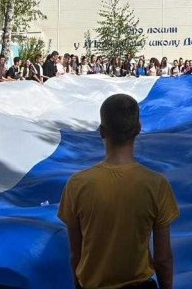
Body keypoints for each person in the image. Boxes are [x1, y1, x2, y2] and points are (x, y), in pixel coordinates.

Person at [58, 94, 177, 289]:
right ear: (138, 129)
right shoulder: (156, 185)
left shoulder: (77, 185)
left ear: (102, 132)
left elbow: (76, 255)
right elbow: (163, 258)